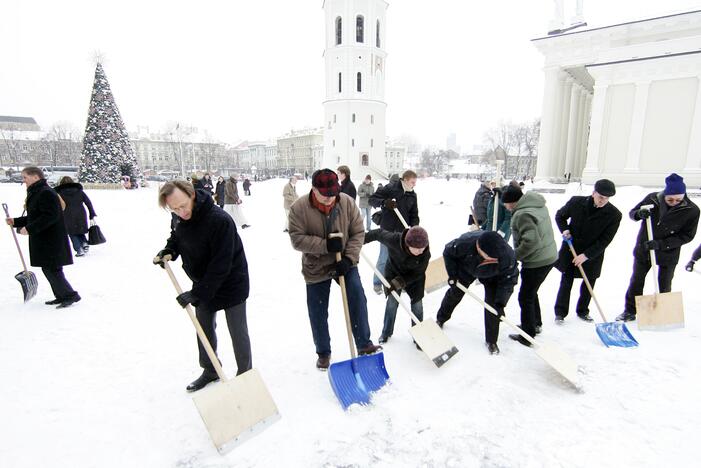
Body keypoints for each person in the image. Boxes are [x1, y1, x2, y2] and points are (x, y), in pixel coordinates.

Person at [153, 181, 252, 392]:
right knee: (203, 328)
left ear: (192, 195)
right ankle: (210, 370)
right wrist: (169, 250)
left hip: (231, 282)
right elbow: (178, 237)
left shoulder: (219, 220)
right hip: (203, 282)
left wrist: (197, 293)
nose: (181, 212)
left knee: (238, 331)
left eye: (183, 205)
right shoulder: (180, 218)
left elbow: (221, 264)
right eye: (174, 209)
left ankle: (245, 375)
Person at [287, 168, 381, 370]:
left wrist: (349, 258)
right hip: (316, 266)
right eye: (325, 195)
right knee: (318, 310)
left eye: (333, 194)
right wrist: (326, 245)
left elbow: (358, 233)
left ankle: (363, 344)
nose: (330, 199)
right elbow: (297, 239)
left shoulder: (346, 201)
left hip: (345, 262)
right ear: (314, 189)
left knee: (357, 297)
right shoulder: (299, 208)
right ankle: (323, 352)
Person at [617, 173, 700, 322]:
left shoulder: (692, 210)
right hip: (644, 249)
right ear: (664, 194)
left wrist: (661, 244)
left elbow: (687, 236)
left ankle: (662, 315)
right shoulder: (652, 199)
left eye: (678, 199)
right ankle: (629, 311)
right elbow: (632, 213)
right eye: (670, 199)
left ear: (684, 195)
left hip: (669, 252)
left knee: (665, 283)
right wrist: (639, 214)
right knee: (637, 281)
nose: (674, 202)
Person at [5, 166, 80, 308]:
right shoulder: (38, 192)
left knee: (53, 269)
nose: (23, 181)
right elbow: (36, 216)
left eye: (25, 177)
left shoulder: (45, 193)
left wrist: (29, 228)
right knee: (50, 269)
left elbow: (50, 216)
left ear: (35, 177)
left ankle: (70, 295)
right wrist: (16, 221)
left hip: (51, 240)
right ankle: (61, 295)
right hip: (45, 239)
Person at [436, 231, 518, 355]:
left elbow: (508, 280)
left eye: (495, 258)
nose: (493, 258)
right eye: (490, 257)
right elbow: (448, 252)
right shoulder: (465, 243)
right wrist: (453, 275)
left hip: (493, 276)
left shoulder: (507, 256)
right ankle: (441, 318)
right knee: (455, 294)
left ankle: (491, 341)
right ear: (479, 248)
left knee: (493, 307)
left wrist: (501, 303)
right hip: (468, 268)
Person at [553, 179, 621, 323]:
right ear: (593, 193)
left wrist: (586, 255)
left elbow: (605, 240)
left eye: (607, 198)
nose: (603, 201)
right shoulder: (576, 202)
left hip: (593, 253)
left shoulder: (614, 215)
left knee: (589, 283)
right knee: (566, 281)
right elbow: (560, 216)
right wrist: (565, 229)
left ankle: (583, 310)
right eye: (601, 197)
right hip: (572, 248)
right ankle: (560, 312)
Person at [502, 184, 557, 344]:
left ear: (512, 202)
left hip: (537, 261)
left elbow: (531, 242)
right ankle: (535, 323)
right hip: (549, 255)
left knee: (525, 296)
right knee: (531, 292)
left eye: (506, 204)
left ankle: (528, 334)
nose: (505, 207)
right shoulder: (535, 204)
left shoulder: (523, 214)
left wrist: (514, 256)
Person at [365, 226, 430, 345]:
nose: (421, 251)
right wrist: (361, 240)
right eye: (418, 249)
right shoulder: (394, 240)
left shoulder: (425, 253)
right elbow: (378, 233)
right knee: (391, 303)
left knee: (417, 306)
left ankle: (419, 336)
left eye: (423, 248)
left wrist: (401, 282)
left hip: (415, 279)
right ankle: (386, 332)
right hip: (393, 273)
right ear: (408, 244)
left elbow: (418, 273)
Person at [368, 170, 420, 294]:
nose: (414, 185)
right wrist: (384, 203)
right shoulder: (391, 189)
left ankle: (399, 284)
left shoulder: (412, 195)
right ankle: (377, 283)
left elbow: (414, 214)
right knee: (384, 258)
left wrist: (414, 228)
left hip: (403, 233)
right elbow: (372, 199)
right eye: (413, 182)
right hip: (387, 231)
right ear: (405, 180)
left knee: (400, 260)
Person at [54, 176, 97, 257]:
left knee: (72, 232)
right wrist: (92, 213)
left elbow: (56, 205)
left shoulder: (59, 194)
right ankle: (84, 243)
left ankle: (79, 249)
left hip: (67, 214)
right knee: (80, 229)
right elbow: (88, 202)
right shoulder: (79, 191)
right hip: (80, 212)